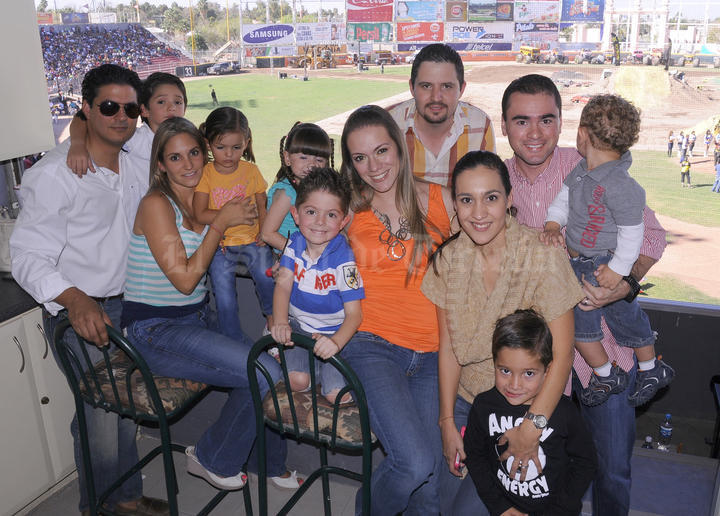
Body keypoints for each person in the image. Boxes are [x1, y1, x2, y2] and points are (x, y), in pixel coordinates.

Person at [501, 74, 667, 515]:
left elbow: (650, 235)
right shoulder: (495, 183)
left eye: (546, 120)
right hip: (536, 354)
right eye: (521, 121)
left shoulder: (593, 167)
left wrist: (623, 285)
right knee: (544, 468)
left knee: (612, 467)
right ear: (504, 126)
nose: (534, 133)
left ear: (565, 124)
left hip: (602, 347)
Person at [11, 64, 169, 516]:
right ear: (85, 107)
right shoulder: (54, 175)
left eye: (129, 107)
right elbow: (27, 255)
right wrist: (75, 299)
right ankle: (97, 506)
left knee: (122, 415)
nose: (120, 116)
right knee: (100, 419)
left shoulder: (138, 152)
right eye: (106, 107)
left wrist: (81, 131)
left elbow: (163, 135)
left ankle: (126, 498)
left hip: (130, 305)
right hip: (80, 310)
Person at [122, 117, 300, 492]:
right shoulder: (157, 205)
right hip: (154, 329)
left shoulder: (200, 197)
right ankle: (211, 455)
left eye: (193, 154)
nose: (187, 165)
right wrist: (220, 223)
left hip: (195, 318)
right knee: (265, 372)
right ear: (160, 165)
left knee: (268, 364)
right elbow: (185, 279)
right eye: (175, 158)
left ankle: (264, 463)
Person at [421, 151, 581, 514]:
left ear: (509, 200)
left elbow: (563, 356)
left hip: (526, 407)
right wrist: (446, 421)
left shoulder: (542, 256)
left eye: (490, 198)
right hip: (467, 405)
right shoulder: (448, 260)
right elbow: (449, 349)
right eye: (466, 199)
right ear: (455, 205)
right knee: (440, 501)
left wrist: (532, 428)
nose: (478, 213)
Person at [340, 104, 454, 515]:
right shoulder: (349, 211)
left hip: (433, 352)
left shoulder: (443, 200)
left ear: (402, 147)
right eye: (359, 157)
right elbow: (305, 246)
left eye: (381, 151)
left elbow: (489, 246)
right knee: (414, 462)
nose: (373, 166)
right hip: (371, 344)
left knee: (429, 487)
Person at [541, 95, 674, 407]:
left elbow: (633, 231)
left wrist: (618, 270)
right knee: (600, 320)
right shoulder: (581, 170)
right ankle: (619, 372)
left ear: (583, 133)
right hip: (581, 263)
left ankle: (642, 368)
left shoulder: (623, 185)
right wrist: (551, 224)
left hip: (603, 262)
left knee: (606, 319)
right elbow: (563, 198)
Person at [464, 309, 597, 516]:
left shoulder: (565, 412)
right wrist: (499, 506)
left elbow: (585, 463)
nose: (514, 385)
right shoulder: (483, 406)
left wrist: (560, 509)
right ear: (494, 363)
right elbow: (475, 457)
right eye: (505, 370)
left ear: (548, 370)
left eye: (528, 373)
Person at [271, 167, 363, 404]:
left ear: (344, 221)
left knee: (337, 396)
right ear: (296, 214)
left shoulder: (344, 260)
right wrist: (281, 321)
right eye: (311, 212)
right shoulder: (293, 243)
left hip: (334, 333)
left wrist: (335, 343)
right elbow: (282, 286)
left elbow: (354, 315)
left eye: (331, 215)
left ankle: (324, 368)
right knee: (297, 382)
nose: (320, 222)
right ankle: (310, 366)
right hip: (300, 327)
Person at [192, 107, 275, 339]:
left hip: (252, 241)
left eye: (236, 147)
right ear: (208, 144)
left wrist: (263, 230)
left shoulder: (251, 170)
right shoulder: (206, 174)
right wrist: (228, 215)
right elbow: (199, 213)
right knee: (224, 295)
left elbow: (261, 201)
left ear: (246, 143)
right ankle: (232, 337)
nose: (229, 154)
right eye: (221, 147)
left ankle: (273, 319)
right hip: (221, 246)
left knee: (266, 276)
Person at [388, 43, 495, 187]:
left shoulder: (481, 125)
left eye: (446, 86)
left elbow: (488, 189)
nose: (436, 97)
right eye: (426, 86)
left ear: (461, 89)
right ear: (412, 88)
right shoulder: (387, 124)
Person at [67, 71, 187, 175]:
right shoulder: (135, 138)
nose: (172, 107)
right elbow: (81, 117)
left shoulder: (188, 138)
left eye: (178, 102)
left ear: (185, 109)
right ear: (144, 110)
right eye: (161, 102)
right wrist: (78, 144)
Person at [260, 122, 333, 252]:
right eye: (303, 157)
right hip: (289, 258)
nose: (311, 165)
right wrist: (302, 255)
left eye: (319, 160)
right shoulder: (286, 194)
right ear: (287, 158)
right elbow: (267, 234)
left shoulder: (315, 188)